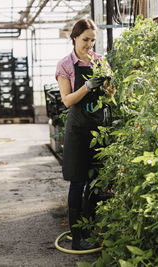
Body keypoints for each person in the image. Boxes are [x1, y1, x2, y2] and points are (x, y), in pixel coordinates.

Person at [55, 18, 111, 250]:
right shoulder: (66, 65)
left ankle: (92, 230)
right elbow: (67, 101)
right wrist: (86, 87)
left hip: (98, 128)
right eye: (85, 40)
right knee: (78, 182)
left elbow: (109, 96)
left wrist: (108, 86)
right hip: (78, 130)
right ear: (75, 38)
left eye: (92, 41)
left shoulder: (100, 61)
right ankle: (78, 237)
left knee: (97, 183)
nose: (89, 45)